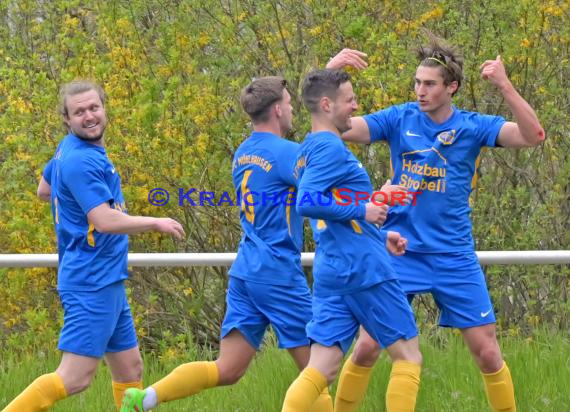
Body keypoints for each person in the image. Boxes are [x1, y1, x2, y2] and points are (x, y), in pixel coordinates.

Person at [328, 34, 545, 412]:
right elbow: (340, 128)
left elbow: (533, 135)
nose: (420, 91)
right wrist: (330, 74)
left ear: (452, 88)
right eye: (417, 82)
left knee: (488, 352)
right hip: (400, 249)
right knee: (367, 345)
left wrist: (505, 85)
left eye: (429, 84)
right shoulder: (399, 118)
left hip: (453, 255)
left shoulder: (473, 127)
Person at [120, 76, 333, 411]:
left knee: (228, 369)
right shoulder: (287, 154)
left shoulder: (244, 151)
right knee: (318, 371)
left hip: (246, 271)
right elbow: (323, 174)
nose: (294, 109)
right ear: (277, 110)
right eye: (291, 103)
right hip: (277, 272)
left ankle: (145, 398)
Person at [3, 80, 185, 412]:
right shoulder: (80, 161)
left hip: (106, 279)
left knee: (131, 370)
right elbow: (104, 220)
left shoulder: (68, 150)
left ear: (104, 108)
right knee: (74, 379)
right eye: (79, 112)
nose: (89, 116)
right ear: (67, 119)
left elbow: (45, 189)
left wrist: (71, 206)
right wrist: (155, 222)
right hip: (91, 281)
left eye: (93, 108)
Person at [281, 69, 423, 412]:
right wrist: (364, 210)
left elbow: (331, 209)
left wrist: (379, 227)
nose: (355, 107)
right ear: (327, 104)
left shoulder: (309, 148)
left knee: (322, 367)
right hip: (364, 269)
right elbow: (308, 202)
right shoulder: (330, 147)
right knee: (408, 357)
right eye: (349, 100)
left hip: (334, 269)